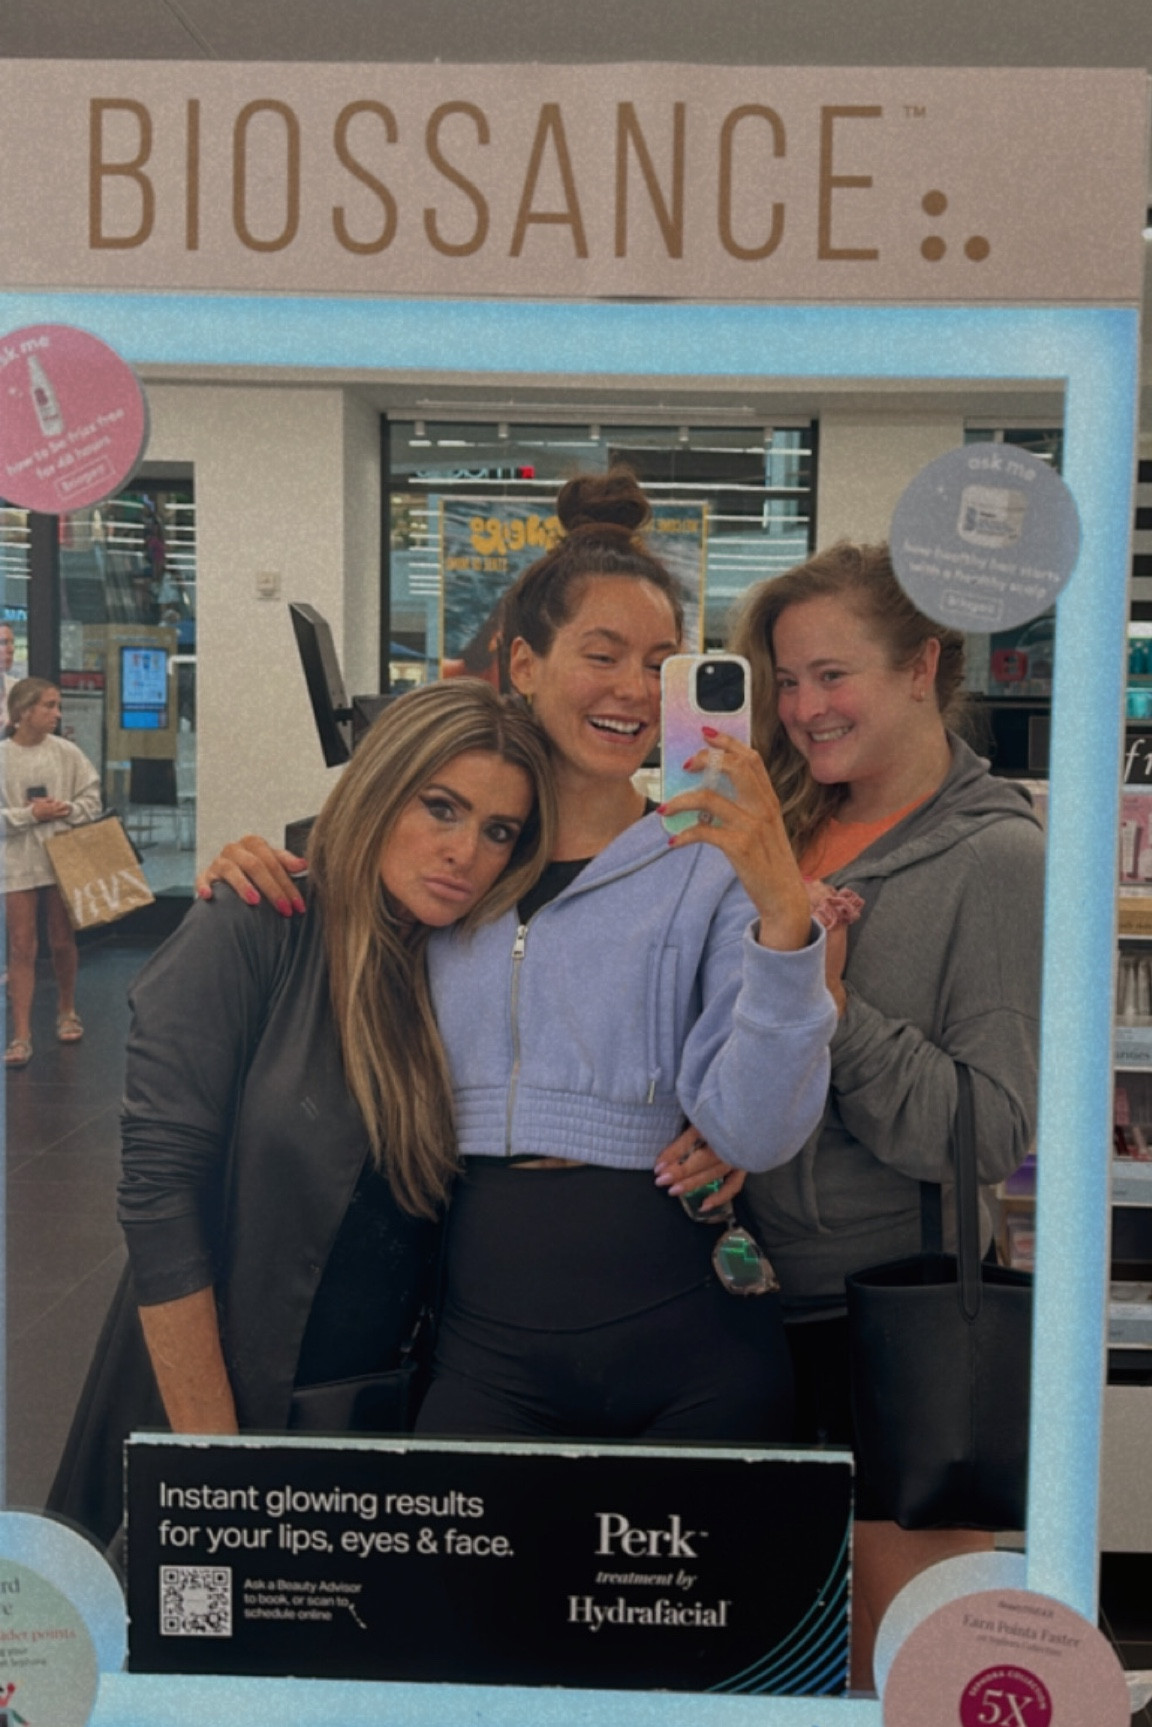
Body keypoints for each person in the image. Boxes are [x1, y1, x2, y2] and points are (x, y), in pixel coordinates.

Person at [199, 468, 838, 1444]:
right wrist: (254, 870)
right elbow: (344, 905)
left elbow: (753, 1131)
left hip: (692, 1338)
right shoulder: (457, 861)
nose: (633, 689)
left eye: (659, 663)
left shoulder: (709, 866)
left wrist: (785, 912)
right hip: (483, 1335)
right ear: (525, 663)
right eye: (602, 654)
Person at [47, 680, 555, 1545]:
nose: (465, 851)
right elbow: (159, 1197)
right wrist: (214, 1464)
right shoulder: (258, 922)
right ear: (379, 789)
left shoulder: (467, 967)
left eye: (499, 830)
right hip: (211, 1404)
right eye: (441, 807)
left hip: (376, 1416)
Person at [731, 542, 1045, 1690]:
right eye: (787, 680)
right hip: (739, 1305)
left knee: (905, 1669)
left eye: (833, 674)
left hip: (894, 1321)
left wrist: (833, 1006)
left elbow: (985, 1130)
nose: (805, 707)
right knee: (782, 1666)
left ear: (923, 665)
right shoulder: (784, 823)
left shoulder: (998, 856)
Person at [1, 678, 101, 1066]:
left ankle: (67, 1009)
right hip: (16, 860)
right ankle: (21, 1034)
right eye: (49, 705)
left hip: (62, 855)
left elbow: (92, 800)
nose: (57, 714)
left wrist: (67, 810)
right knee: (21, 945)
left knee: (62, 939)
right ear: (25, 711)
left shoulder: (67, 753)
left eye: (57, 705)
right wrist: (30, 815)